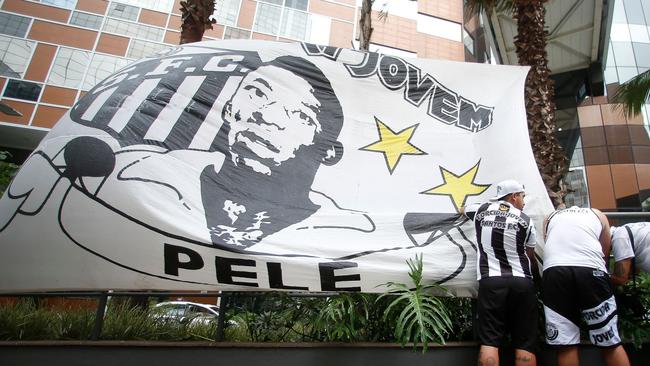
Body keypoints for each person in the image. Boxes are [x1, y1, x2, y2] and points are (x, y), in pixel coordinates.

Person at [200, 55, 348, 248]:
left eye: (302, 115)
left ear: (328, 151)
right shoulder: (161, 179)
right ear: (228, 108)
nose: (267, 116)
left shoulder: (340, 234)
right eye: (257, 93)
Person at [461, 179, 538, 366]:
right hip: (521, 281)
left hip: (491, 281)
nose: (524, 201)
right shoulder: (526, 219)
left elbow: (462, 209)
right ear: (513, 197)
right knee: (525, 342)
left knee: (489, 341)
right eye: (522, 196)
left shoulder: (481, 210)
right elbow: (530, 256)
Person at [542, 206, 630, 366]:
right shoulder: (598, 214)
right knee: (610, 342)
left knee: (565, 344)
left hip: (555, 271)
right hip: (591, 269)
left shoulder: (550, 217)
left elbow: (549, 242)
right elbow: (604, 251)